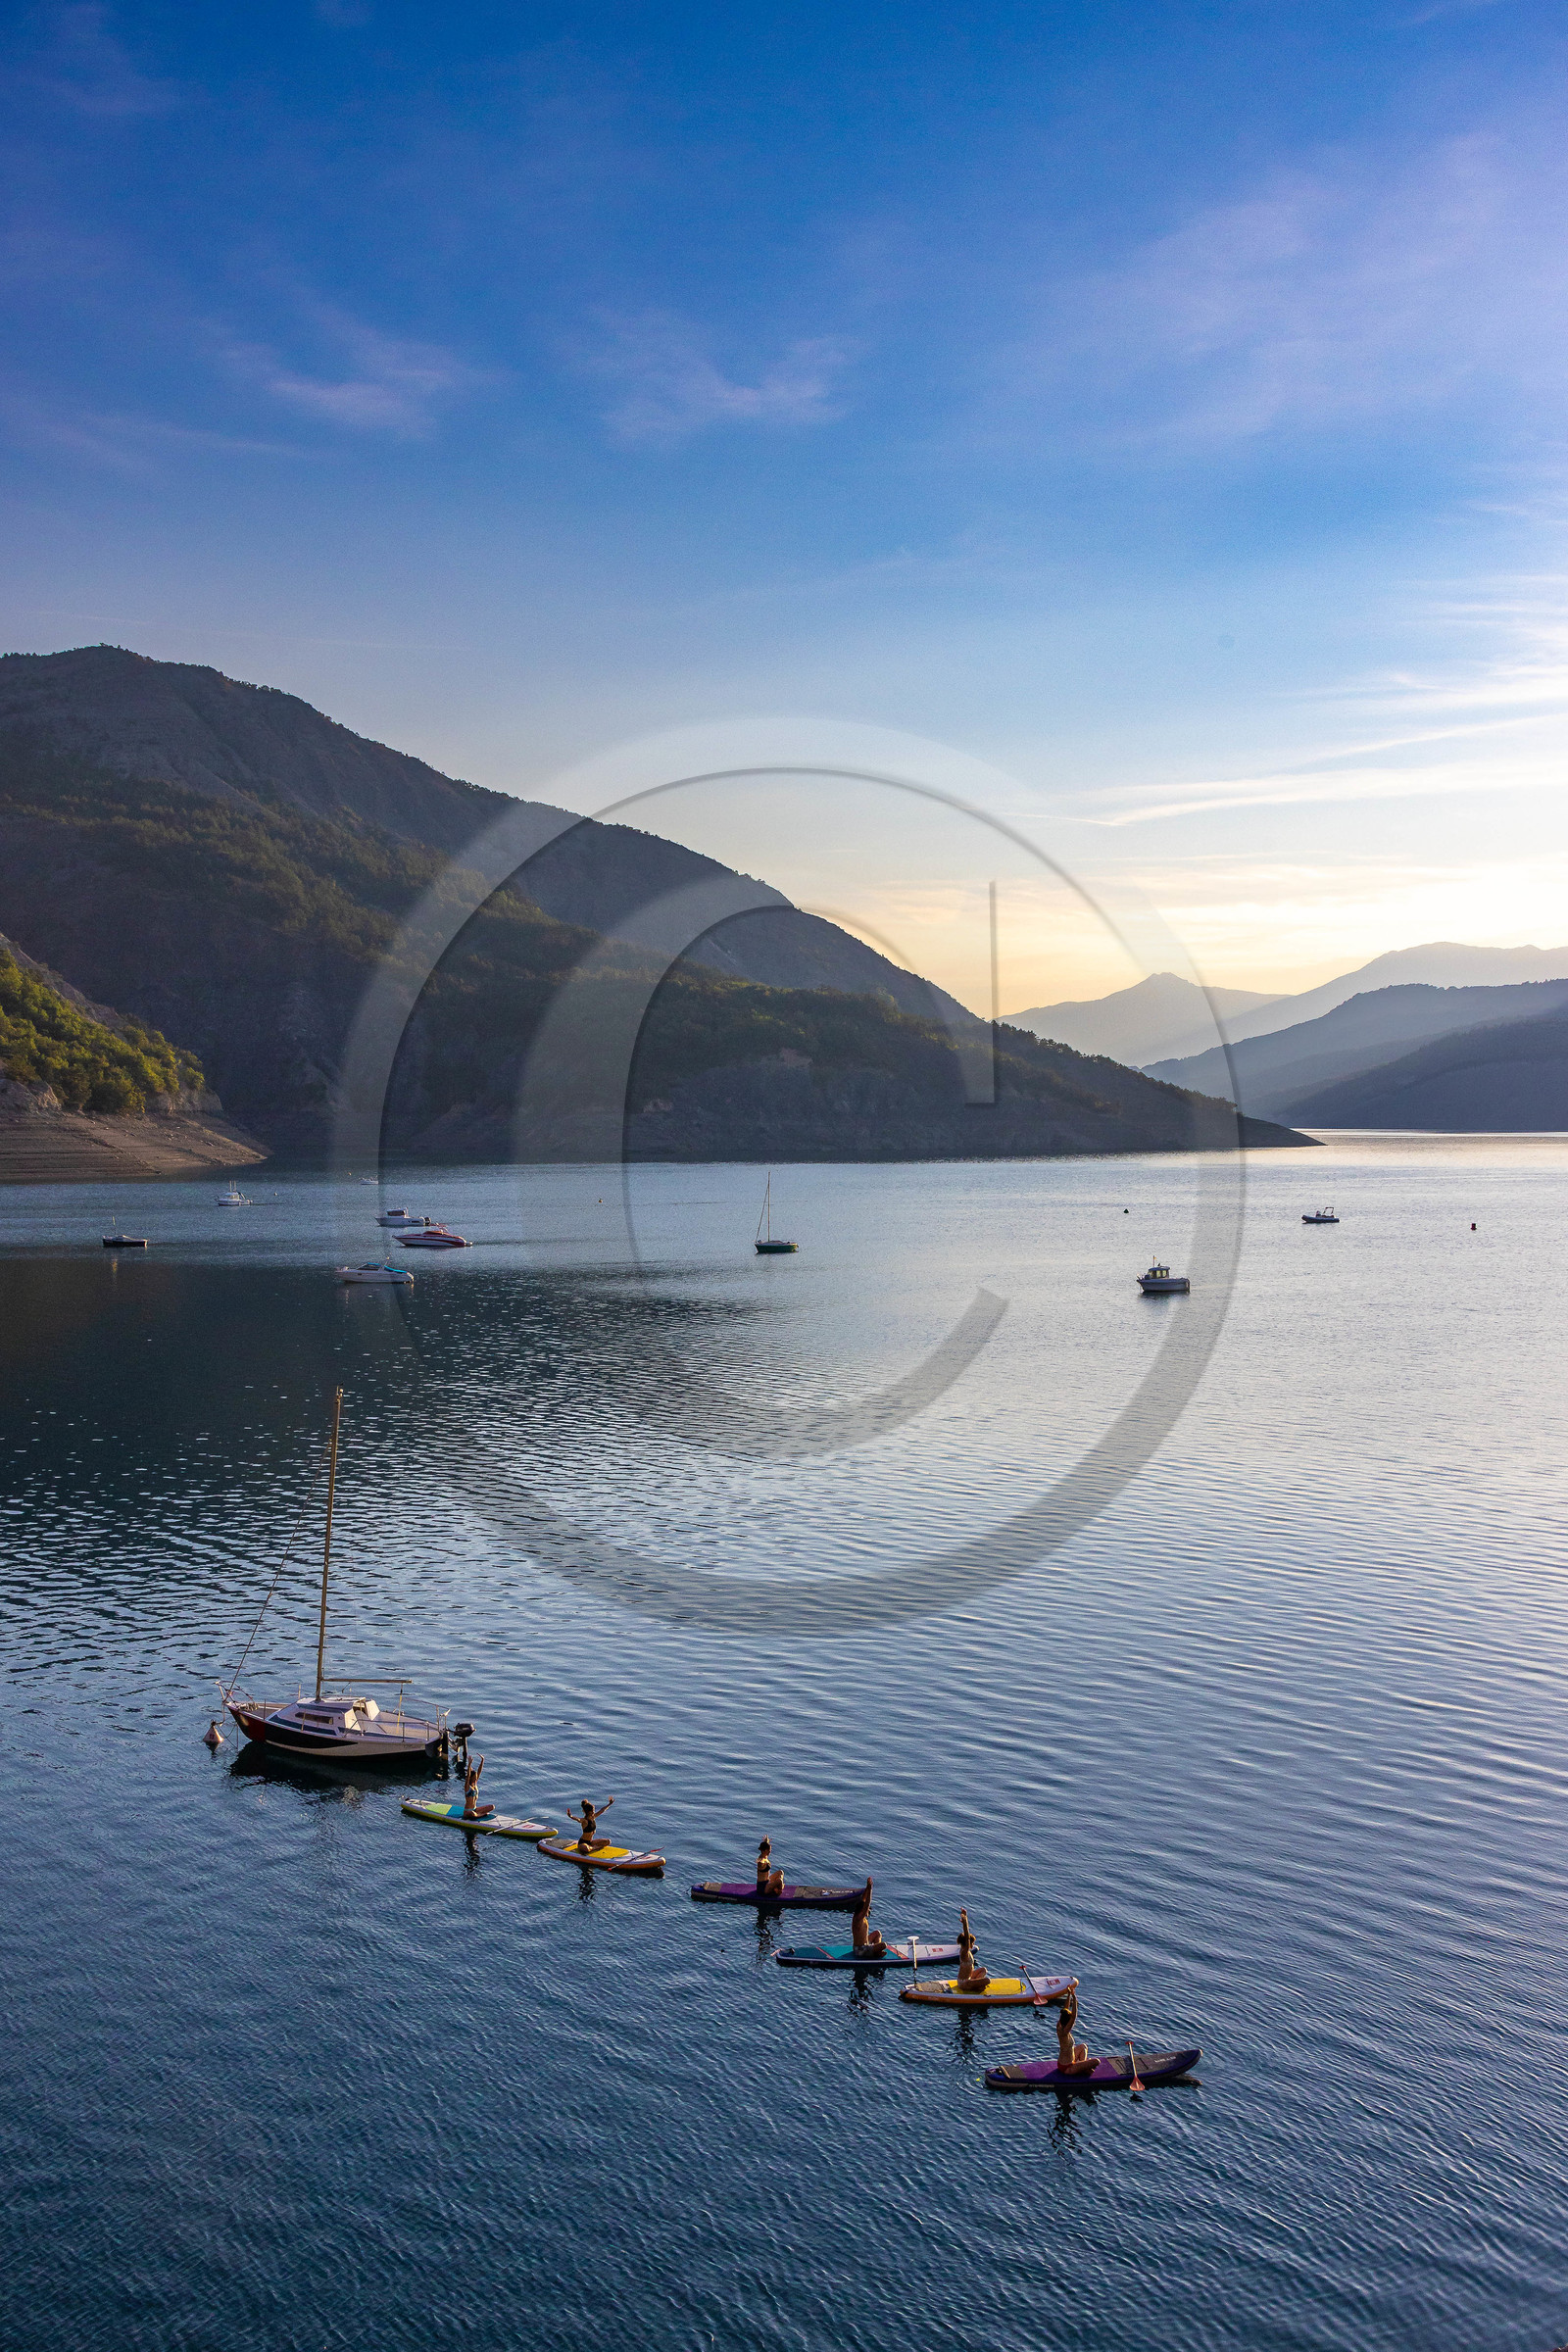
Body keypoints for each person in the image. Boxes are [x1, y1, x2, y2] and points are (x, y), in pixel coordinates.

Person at [1054, 1985, 1095, 2075]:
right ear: (1068, 2022)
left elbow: (1065, 2010)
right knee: (1097, 2062)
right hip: (1066, 2067)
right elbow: (1074, 2017)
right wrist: (1074, 1998)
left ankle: (1082, 2067)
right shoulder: (1065, 2032)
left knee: (1083, 2047)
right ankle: (1083, 2068)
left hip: (1067, 2061)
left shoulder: (1059, 2025)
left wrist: (1069, 1995)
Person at [956, 1907, 990, 1992]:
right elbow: (967, 1937)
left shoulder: (966, 1951)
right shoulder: (964, 1952)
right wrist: (965, 1921)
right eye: (972, 1943)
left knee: (983, 1970)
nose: (973, 1944)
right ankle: (976, 1988)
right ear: (968, 1943)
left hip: (968, 1978)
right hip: (964, 1983)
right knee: (987, 1980)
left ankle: (977, 1986)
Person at [850, 1879, 885, 1957]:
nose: (868, 1911)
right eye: (867, 1910)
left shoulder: (859, 1916)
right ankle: (876, 1952)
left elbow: (863, 1899)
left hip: (865, 1945)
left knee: (877, 1933)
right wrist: (871, 1891)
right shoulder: (858, 1918)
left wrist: (868, 1888)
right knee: (883, 1945)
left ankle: (876, 1952)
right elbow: (867, 1904)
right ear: (862, 1910)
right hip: (860, 1950)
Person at [463, 1754, 492, 1820]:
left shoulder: (475, 1784)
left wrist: (482, 1760)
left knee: (492, 1807)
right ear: (471, 1778)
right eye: (474, 1777)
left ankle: (478, 1814)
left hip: (475, 1809)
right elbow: (468, 1776)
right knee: (472, 1814)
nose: (476, 1778)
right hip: (468, 1812)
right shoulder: (467, 1787)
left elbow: (479, 1771)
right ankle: (482, 1814)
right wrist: (469, 1764)